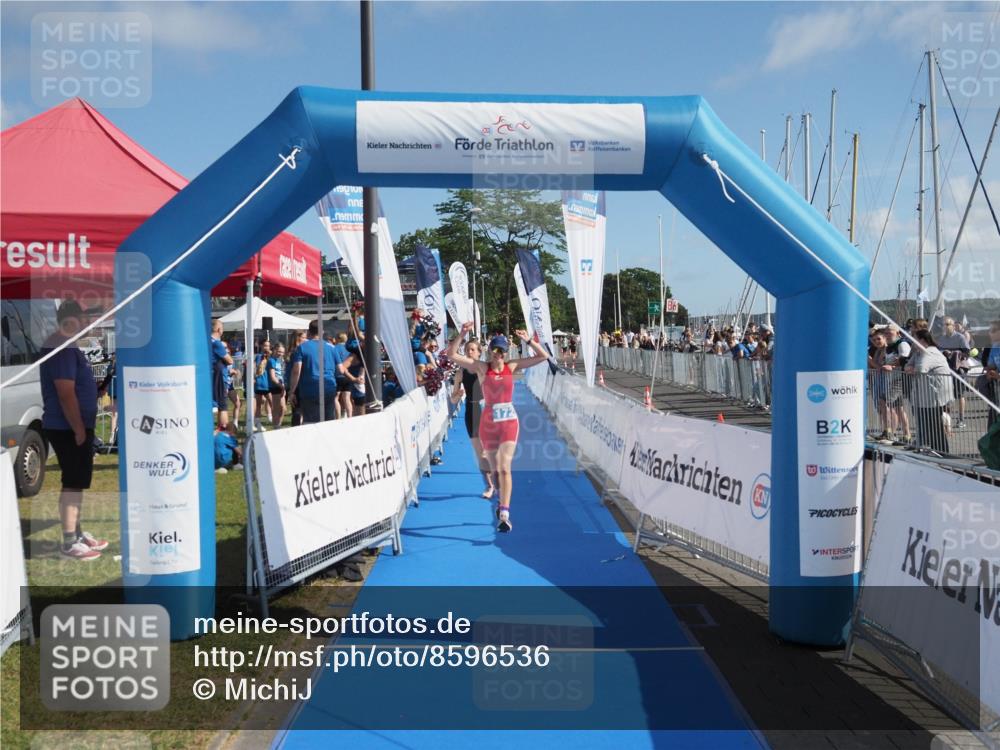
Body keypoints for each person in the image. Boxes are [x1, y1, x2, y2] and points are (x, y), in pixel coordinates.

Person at [446, 323, 551, 533]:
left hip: (509, 422)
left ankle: (504, 513)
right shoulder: (481, 368)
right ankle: (499, 497)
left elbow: (543, 357)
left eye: (502, 350)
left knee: (505, 468)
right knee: (495, 471)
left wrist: (528, 340)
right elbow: (451, 355)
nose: (499, 355)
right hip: (488, 423)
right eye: (496, 350)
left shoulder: (511, 366)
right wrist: (463, 334)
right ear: (490, 351)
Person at [39, 300, 109, 561]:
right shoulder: (62, 347)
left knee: (76, 482)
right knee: (73, 483)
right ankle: (70, 542)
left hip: (71, 425)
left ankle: (76, 534)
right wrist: (79, 428)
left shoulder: (67, 346)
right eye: (84, 318)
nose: (89, 323)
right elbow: (65, 393)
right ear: (70, 320)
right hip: (67, 427)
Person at [450, 338, 496, 499]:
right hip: (471, 411)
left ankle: (498, 478)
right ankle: (490, 485)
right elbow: (453, 400)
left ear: (479, 352)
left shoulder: (485, 369)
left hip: (488, 410)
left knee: (489, 452)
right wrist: (457, 394)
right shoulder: (460, 373)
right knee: (480, 454)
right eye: (467, 350)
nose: (469, 352)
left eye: (472, 349)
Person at [905, 329, 952, 454]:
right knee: (927, 423)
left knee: (935, 425)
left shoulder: (929, 352)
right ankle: (933, 448)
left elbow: (921, 369)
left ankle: (942, 451)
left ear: (922, 340)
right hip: (925, 395)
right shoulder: (918, 353)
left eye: (914, 338)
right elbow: (907, 366)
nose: (912, 341)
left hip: (935, 395)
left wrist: (912, 369)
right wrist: (911, 368)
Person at [287, 320, 338, 423]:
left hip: (310, 390)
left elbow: (296, 370)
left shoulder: (301, 348)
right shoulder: (332, 347)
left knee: (311, 424)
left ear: (309, 332)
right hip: (329, 388)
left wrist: (292, 391)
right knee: (329, 422)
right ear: (322, 332)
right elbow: (340, 368)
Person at [937, 317, 971, 429]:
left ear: (953, 325)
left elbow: (967, 352)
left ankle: (961, 419)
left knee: (959, 394)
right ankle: (947, 419)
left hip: (958, 369)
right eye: (943, 324)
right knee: (945, 394)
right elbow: (937, 351)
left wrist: (953, 353)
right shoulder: (941, 338)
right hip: (945, 369)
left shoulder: (960, 337)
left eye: (947, 324)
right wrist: (943, 352)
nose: (945, 326)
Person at [210, 319, 233, 430]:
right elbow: (230, 361)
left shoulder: (205, 340)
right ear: (219, 329)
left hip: (210, 375)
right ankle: (223, 431)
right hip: (219, 377)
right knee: (222, 405)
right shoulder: (217, 343)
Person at [253, 339, 272, 431]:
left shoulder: (271, 356)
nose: (266, 347)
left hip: (269, 383)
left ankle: (272, 417)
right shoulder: (259, 357)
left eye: (268, 345)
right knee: (258, 404)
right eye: (265, 345)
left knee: (272, 401)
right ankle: (257, 422)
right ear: (261, 346)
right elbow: (255, 368)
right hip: (260, 383)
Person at [267, 342, 287, 428]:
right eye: (279, 351)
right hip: (275, 387)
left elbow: (281, 374)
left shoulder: (279, 360)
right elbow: (273, 377)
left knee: (283, 408)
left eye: (282, 352)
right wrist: (281, 386)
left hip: (281, 386)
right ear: (274, 350)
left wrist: (283, 386)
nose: (281, 354)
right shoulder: (271, 360)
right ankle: (276, 426)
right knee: (276, 408)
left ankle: (278, 425)